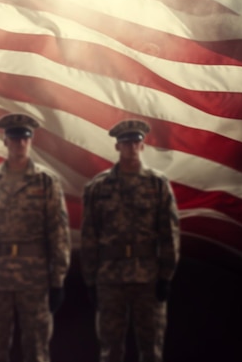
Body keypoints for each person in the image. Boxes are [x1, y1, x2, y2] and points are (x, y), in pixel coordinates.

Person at [0, 113, 71, 362]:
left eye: (24, 138)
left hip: (34, 279)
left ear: (30, 140)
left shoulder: (46, 183)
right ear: (6, 141)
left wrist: (57, 281)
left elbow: (58, 233)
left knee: (36, 349)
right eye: (14, 138)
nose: (19, 143)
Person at [79, 119, 180, 362]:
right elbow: (89, 235)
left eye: (136, 142)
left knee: (151, 349)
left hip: (148, 277)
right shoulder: (99, 187)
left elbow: (169, 233)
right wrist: (91, 279)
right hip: (110, 278)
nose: (131, 147)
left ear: (142, 146)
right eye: (126, 143)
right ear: (117, 147)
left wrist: (166, 276)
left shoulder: (157, 184)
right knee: (110, 350)